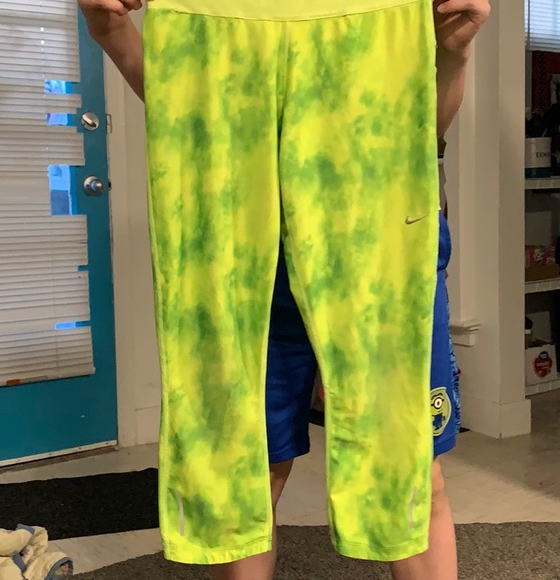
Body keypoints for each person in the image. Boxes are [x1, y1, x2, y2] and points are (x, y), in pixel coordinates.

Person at [78, 2, 490, 580]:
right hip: (245, 246)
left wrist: (454, 50)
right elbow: (194, 112)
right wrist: (114, 31)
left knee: (408, 464)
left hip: (384, 240)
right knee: (248, 467)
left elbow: (423, 132)